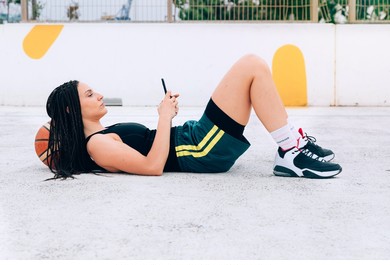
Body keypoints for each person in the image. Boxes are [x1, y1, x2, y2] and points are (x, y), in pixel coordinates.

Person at [45, 54, 342, 179]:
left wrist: (167, 115)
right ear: (71, 110)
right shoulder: (95, 145)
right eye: (88, 95)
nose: (98, 95)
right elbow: (152, 166)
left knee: (254, 67)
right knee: (251, 65)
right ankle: (290, 151)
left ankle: (290, 144)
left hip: (194, 140)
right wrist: (164, 118)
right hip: (198, 149)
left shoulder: (103, 134)